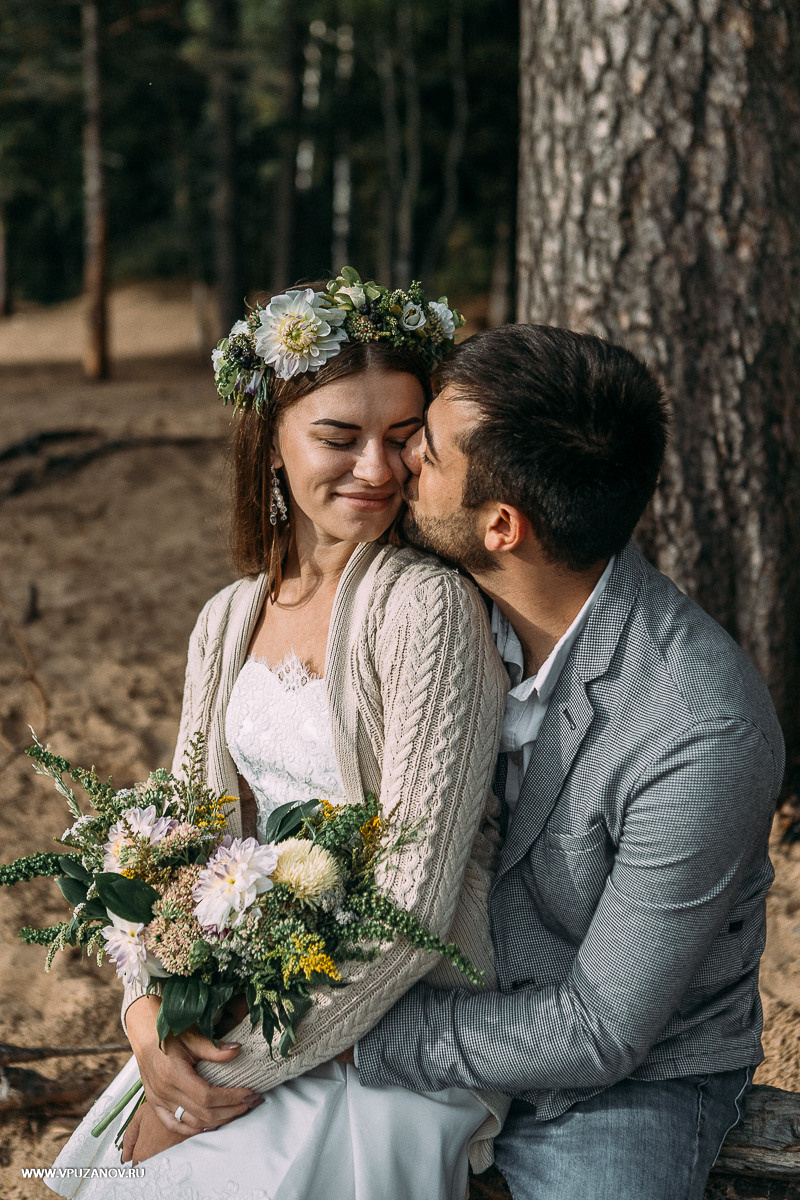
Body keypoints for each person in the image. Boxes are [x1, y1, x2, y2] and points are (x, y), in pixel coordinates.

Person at [47, 272, 510, 1200]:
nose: (375, 469)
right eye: (339, 438)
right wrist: (145, 1016)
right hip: (236, 1002)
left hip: (390, 1025)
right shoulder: (227, 619)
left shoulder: (427, 612)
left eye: (402, 438)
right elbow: (172, 841)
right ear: (269, 446)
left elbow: (415, 909)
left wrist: (223, 1072)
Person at [353, 323, 786, 1200]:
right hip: (428, 1005)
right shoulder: (431, 602)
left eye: (427, 454)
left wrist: (365, 1036)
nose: (400, 465)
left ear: (502, 525)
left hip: (619, 1082)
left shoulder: (702, 728)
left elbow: (603, 1028)